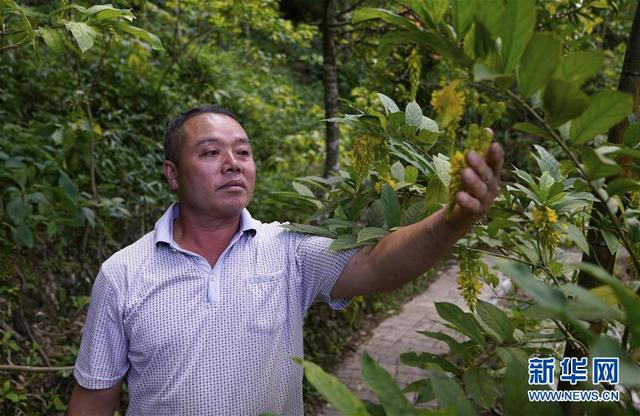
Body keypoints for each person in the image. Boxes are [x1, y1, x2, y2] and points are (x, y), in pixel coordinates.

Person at [68, 106, 503, 415]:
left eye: (243, 151)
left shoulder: (287, 248)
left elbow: (377, 265)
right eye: (210, 152)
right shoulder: (123, 273)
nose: (232, 164)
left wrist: (450, 223)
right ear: (172, 174)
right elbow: (93, 399)